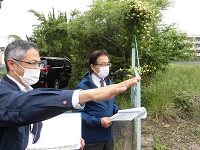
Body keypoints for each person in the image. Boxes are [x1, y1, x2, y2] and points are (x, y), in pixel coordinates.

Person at [0, 39, 141, 150]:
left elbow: (36, 128)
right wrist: (87, 95)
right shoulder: (5, 92)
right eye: (33, 63)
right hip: (93, 136)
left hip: (107, 135)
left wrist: (69, 138)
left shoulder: (27, 90)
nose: (38, 69)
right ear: (12, 64)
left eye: (39, 63)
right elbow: (22, 105)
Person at [74, 50, 118, 150]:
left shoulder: (109, 83)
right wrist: (98, 121)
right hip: (92, 138)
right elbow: (78, 113)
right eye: (102, 64)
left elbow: (112, 104)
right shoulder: (83, 87)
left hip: (108, 135)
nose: (106, 67)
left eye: (108, 64)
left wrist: (119, 113)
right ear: (93, 67)